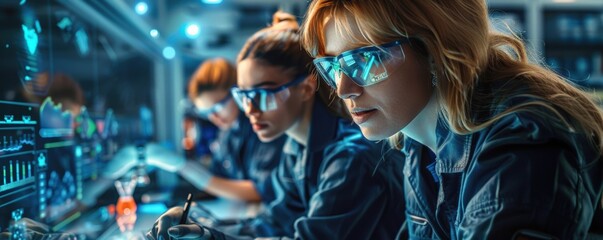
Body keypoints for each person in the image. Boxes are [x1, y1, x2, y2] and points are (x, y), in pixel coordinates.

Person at [299, 0, 603, 239]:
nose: (343, 88)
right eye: (333, 66)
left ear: (435, 50)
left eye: (367, 59)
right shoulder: (419, 145)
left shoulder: (524, 139)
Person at [147, 11, 406, 240]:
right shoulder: (296, 150)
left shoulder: (351, 158)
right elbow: (269, 225)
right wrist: (200, 229)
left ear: (305, 88)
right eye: (244, 96)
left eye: (262, 94)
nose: (251, 111)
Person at [182, 57, 287, 202]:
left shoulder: (262, 127)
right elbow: (220, 175)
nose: (214, 117)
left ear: (237, 93)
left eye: (218, 107)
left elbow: (262, 191)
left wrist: (184, 167)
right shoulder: (226, 133)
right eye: (207, 113)